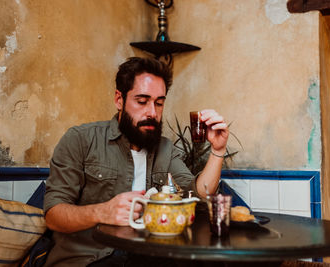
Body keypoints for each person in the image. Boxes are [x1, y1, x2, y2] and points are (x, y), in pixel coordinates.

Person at [43, 57, 229, 266]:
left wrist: (217, 149)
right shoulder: (81, 139)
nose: (152, 112)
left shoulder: (165, 149)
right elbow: (53, 215)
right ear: (119, 100)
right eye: (142, 101)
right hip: (88, 259)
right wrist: (102, 211)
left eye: (159, 103)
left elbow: (198, 194)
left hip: (146, 257)